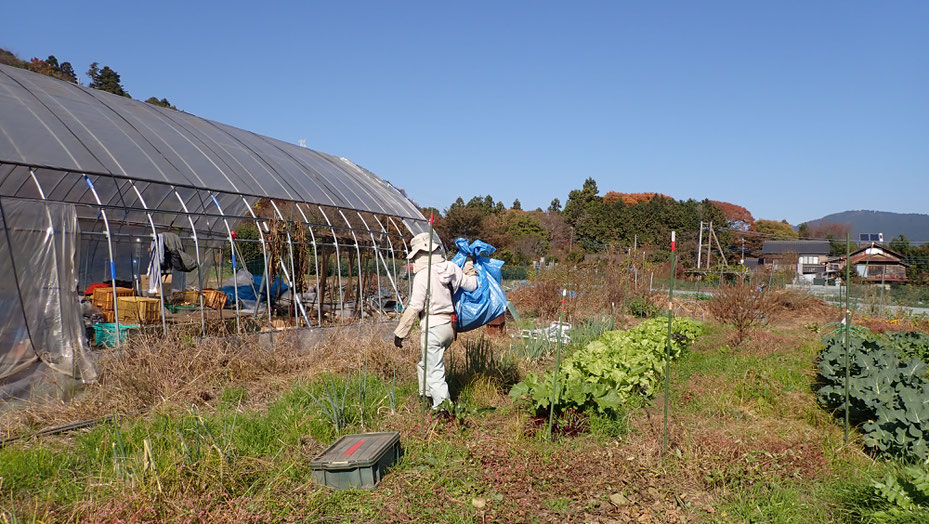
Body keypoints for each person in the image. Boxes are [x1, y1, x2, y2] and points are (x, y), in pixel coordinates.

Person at [394, 232, 478, 410]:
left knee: (435, 371)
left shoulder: (423, 275)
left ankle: (444, 409)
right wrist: (469, 265)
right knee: (426, 363)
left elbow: (415, 306)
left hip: (432, 327)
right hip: (449, 327)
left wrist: (400, 333)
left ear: (418, 255)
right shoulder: (452, 267)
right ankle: (425, 395)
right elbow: (472, 285)